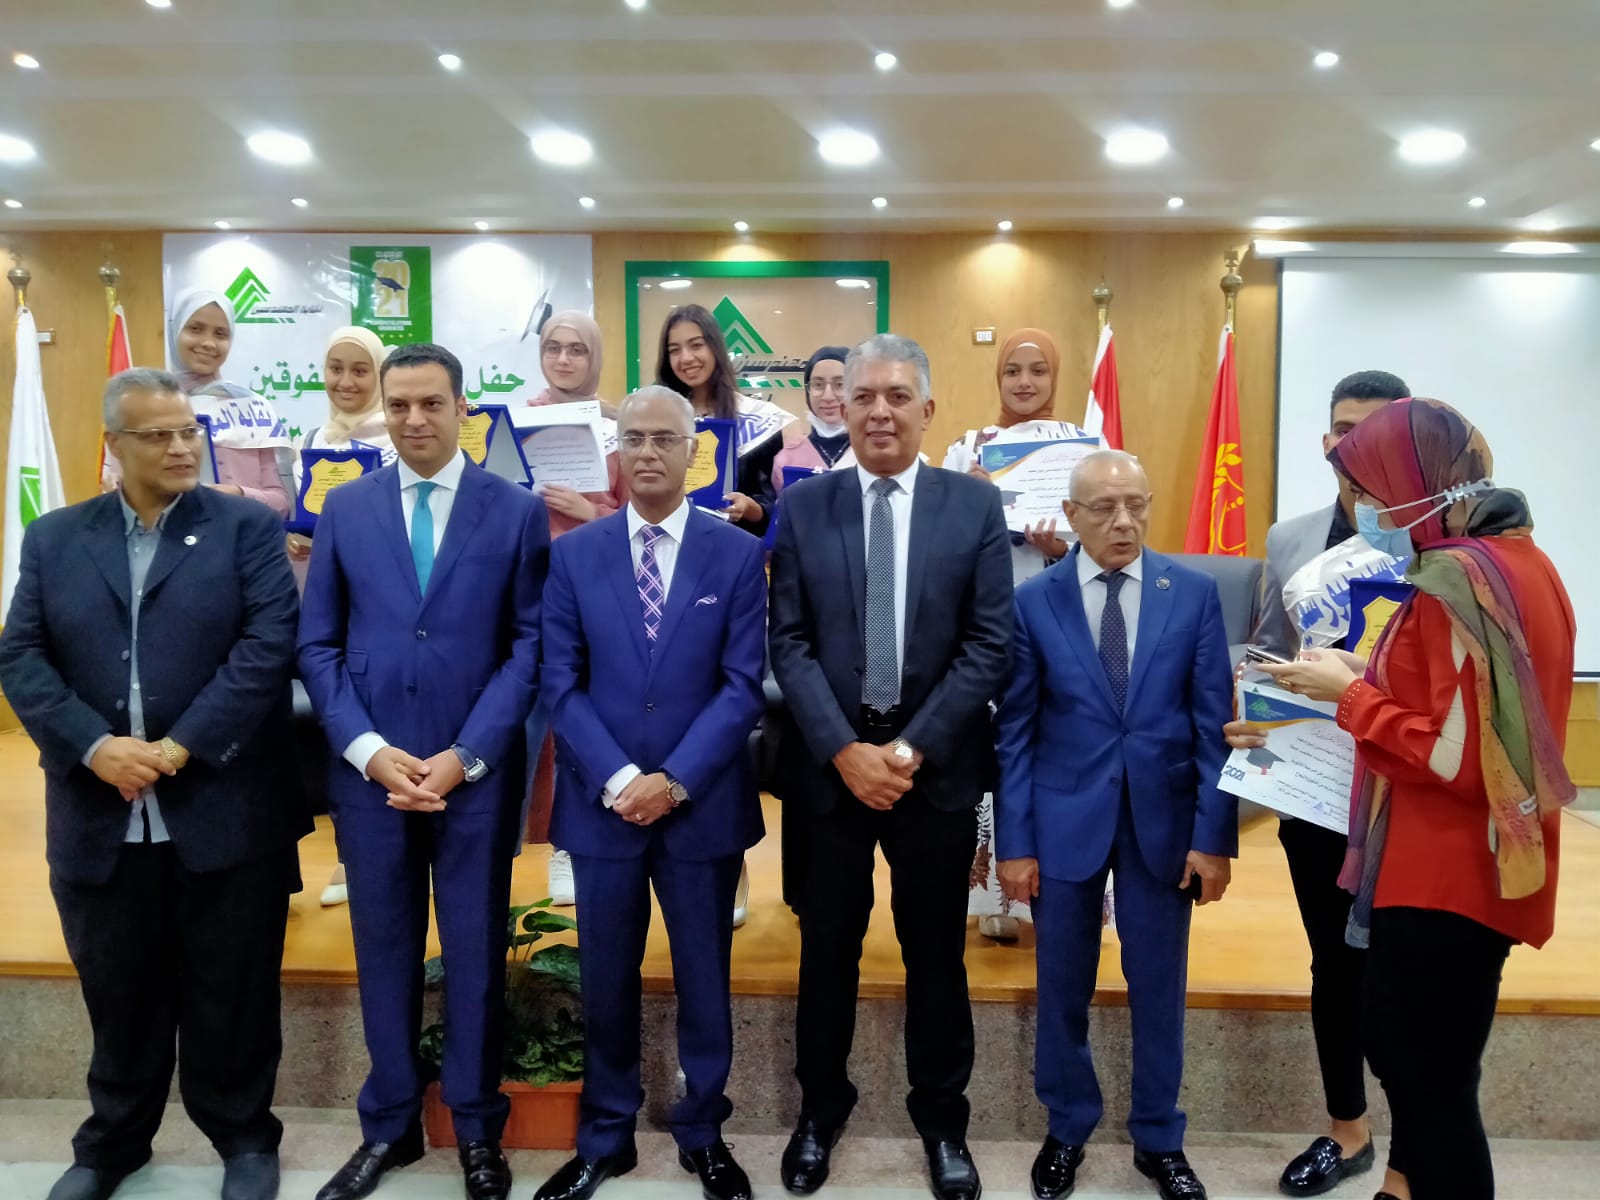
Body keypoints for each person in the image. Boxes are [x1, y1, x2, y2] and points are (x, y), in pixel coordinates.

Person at [0, 367, 307, 1200]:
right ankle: (113, 1143)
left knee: (234, 989)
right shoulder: (56, 538)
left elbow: (267, 649)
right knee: (118, 991)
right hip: (98, 814)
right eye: (158, 435)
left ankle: (244, 1137)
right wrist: (95, 746)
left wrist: (176, 749)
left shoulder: (247, 528)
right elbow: (20, 656)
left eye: (187, 432)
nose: (179, 448)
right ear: (114, 444)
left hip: (224, 806)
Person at [1260, 399, 1577, 1200]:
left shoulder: (1455, 584)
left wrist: (1350, 699)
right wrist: (1354, 679)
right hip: (1475, 863)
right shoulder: (1523, 560)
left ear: (1417, 487)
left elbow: (1458, 756)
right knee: (1435, 1077)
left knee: (1429, 1091)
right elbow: (1464, 708)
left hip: (1446, 872)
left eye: (1372, 492)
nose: (1365, 511)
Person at [297, 343, 549, 1200]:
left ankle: (478, 1128)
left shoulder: (514, 512)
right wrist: (367, 751)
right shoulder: (345, 508)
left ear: (462, 409)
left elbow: (528, 648)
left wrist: (465, 755)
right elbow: (318, 645)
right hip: (371, 774)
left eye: (430, 404)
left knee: (475, 952)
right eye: (398, 405)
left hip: (472, 773)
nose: (413, 420)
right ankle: (391, 1126)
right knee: (385, 951)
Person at [769, 334, 1013, 1200]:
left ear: (928, 410)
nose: (878, 411)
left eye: (897, 396)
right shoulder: (805, 505)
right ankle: (819, 1112)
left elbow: (989, 645)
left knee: (936, 954)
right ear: (842, 406)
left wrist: (907, 751)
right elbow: (788, 642)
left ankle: (942, 1121)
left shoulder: (973, 506)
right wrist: (845, 750)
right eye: (864, 396)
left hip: (932, 771)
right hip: (830, 771)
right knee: (826, 950)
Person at [535, 386, 768, 1200]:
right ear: (617, 450)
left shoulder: (734, 554)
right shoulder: (575, 554)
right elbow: (561, 684)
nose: (646, 452)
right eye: (632, 437)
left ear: (693, 450)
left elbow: (742, 687)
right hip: (603, 807)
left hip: (701, 806)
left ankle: (703, 1130)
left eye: (664, 438)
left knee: (705, 977)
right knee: (605, 978)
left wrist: (673, 782)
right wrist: (622, 780)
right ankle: (606, 1135)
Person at [994, 450, 1235, 1200]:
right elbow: (1016, 734)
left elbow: (1214, 728)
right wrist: (1015, 844)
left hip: (1165, 821)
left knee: (1159, 985)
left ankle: (1159, 1138)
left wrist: (1213, 838)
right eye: (1104, 508)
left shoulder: (1191, 593)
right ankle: (1067, 1127)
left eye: (1137, 504)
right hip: (1063, 819)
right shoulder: (1033, 603)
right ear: (1071, 516)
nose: (1124, 521)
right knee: (1062, 983)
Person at [1227, 369, 1408, 1198]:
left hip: (1408, 782)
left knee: (1405, 963)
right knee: (1333, 961)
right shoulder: (1290, 537)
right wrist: (1250, 712)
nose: (1353, 443)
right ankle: (1349, 1130)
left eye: (1374, 428)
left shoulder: (1436, 540)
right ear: (1325, 439)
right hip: (1317, 785)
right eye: (1342, 428)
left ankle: (1419, 1140)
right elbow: (1269, 649)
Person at [942, 327, 1099, 942]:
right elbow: (936, 547)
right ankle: (996, 900)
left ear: (1055, 377)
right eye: (1013, 370)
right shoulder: (966, 449)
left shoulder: (1085, 449)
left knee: (1058, 748)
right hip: (984, 626)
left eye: (1038, 370)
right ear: (998, 377)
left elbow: (1115, 542)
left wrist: (1063, 551)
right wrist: (973, 505)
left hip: (1063, 621)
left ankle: (1063, 895)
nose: (1025, 382)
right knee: (993, 751)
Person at [282, 325, 399, 906]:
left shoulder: (395, 437)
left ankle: (391, 854)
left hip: (381, 606)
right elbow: (299, 514)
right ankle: (351, 857)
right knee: (339, 729)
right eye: (335, 368)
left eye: (360, 370)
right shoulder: (310, 438)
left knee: (386, 727)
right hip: (324, 606)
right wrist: (296, 539)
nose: (346, 381)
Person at [524, 311, 630, 908]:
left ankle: (576, 841)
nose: (563, 360)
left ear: (595, 357)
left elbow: (643, 514)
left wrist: (590, 513)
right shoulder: (515, 422)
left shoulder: (617, 426)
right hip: (530, 587)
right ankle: (543, 837)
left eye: (577, 350)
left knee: (586, 712)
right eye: (553, 348)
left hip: (598, 588)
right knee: (535, 720)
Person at [102, 289, 295, 516]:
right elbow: (120, 493)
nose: (209, 343)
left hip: (243, 534)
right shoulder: (145, 407)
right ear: (175, 329)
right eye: (195, 329)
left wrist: (238, 493)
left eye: (221, 334)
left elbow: (282, 504)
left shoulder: (252, 408)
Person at [656, 303, 796, 534]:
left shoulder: (759, 419)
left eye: (696, 345)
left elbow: (779, 508)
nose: (686, 358)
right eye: (674, 350)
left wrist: (750, 508)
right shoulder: (660, 419)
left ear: (715, 348)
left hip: (738, 544)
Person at [773, 346, 855, 486]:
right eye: (818, 384)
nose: (828, 396)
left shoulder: (874, 450)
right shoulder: (787, 458)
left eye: (840, 384)